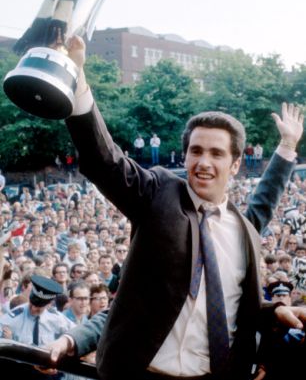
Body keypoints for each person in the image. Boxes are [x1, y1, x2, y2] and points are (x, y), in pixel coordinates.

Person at [45, 37, 306, 380]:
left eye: (216, 153)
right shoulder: (158, 192)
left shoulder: (243, 229)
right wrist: (77, 82)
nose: (203, 162)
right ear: (184, 156)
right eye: (196, 151)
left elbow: (264, 203)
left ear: (237, 164)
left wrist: (287, 147)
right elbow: (105, 161)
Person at [0, 274, 75, 379]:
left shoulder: (57, 318)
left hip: (47, 372)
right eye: (32, 304)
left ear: (49, 304)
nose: (34, 309)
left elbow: (76, 335)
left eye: (39, 307)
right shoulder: (13, 318)